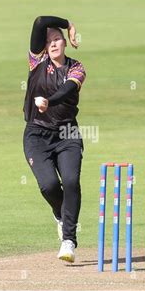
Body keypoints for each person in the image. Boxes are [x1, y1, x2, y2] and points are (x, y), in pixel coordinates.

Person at [23, 16, 86, 263]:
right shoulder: (36, 61)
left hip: (67, 133)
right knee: (49, 185)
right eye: (49, 41)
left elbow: (69, 88)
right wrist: (68, 22)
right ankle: (61, 215)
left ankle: (69, 240)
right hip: (36, 133)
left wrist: (50, 101)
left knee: (71, 181)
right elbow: (39, 21)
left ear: (65, 43)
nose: (53, 44)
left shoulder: (77, 67)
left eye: (57, 38)